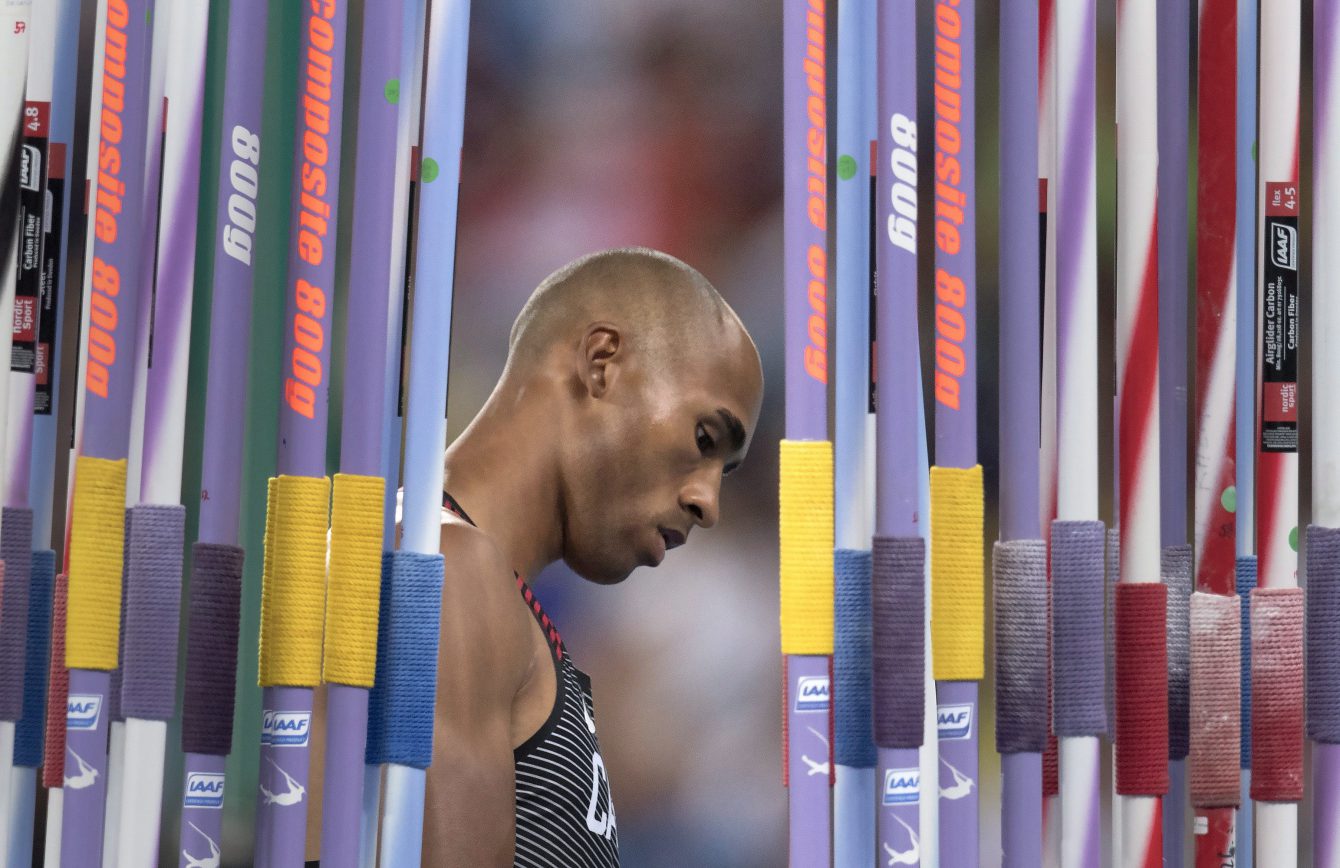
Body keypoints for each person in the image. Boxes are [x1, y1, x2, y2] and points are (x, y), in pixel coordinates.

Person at [308, 248, 764, 866]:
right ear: (601, 362)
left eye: (726, 472)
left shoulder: (474, 581)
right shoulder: (441, 569)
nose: (708, 503)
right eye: (704, 439)